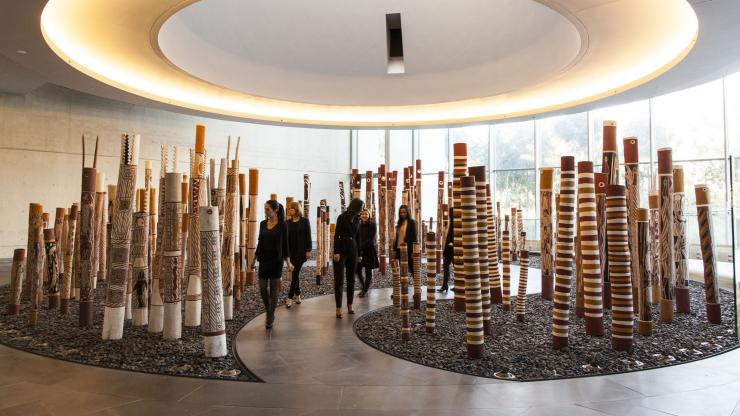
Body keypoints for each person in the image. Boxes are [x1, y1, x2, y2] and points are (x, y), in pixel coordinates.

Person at [252, 200, 291, 329]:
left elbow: (286, 245)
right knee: (263, 287)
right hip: (264, 260)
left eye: (268, 209)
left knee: (274, 290)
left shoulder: (283, 225)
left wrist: (288, 262)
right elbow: (260, 243)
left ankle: (270, 316)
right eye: (265, 209)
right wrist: (253, 260)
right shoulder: (263, 224)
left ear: (275, 210)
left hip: (276, 261)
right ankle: (269, 310)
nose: (265, 211)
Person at [333, 198, 363, 318]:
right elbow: (337, 235)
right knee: (339, 279)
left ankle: (350, 304)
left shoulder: (357, 219)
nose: (362, 210)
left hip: (353, 250)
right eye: (361, 207)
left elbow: (358, 237)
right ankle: (338, 307)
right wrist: (336, 251)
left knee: (351, 279)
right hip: (341, 250)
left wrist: (360, 254)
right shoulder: (342, 217)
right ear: (356, 207)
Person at [286, 201, 312, 308]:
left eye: (291, 208)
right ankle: (298, 294)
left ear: (296, 209)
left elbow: (308, 236)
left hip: (301, 252)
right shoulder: (287, 222)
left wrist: (309, 250)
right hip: (291, 252)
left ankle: (289, 297)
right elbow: (286, 239)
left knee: (295, 273)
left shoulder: (305, 221)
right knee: (295, 274)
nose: (289, 210)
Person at [356, 208, 379, 297]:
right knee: (357, 269)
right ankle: (363, 286)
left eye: (366, 214)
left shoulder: (372, 225)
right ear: (360, 216)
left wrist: (360, 246)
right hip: (360, 251)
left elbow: (370, 238)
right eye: (363, 214)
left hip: (369, 250)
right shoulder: (358, 225)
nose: (364, 216)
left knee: (368, 271)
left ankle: (365, 290)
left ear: (369, 215)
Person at [392, 204, 417, 277]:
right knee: (400, 268)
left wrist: (413, 251)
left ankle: (417, 287)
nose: (402, 214)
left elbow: (414, 237)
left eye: (404, 212)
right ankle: (403, 286)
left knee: (412, 268)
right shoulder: (399, 222)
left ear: (408, 212)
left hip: (408, 249)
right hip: (399, 248)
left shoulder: (412, 222)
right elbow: (397, 237)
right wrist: (394, 249)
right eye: (401, 212)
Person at [439, 206, 454, 292]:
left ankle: (445, 285)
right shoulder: (452, 222)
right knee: (446, 266)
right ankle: (445, 285)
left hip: (452, 248)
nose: (449, 215)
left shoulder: (455, 223)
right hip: (449, 248)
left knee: (447, 266)